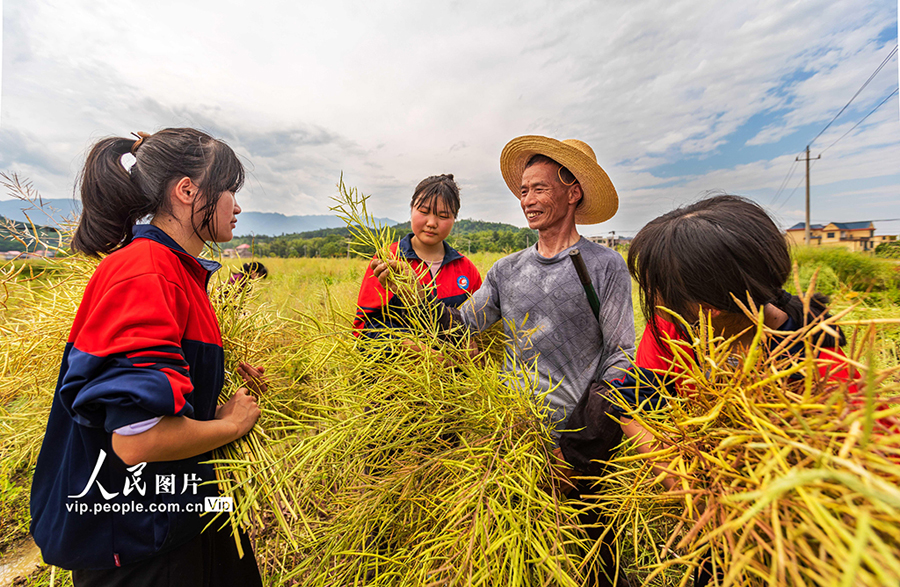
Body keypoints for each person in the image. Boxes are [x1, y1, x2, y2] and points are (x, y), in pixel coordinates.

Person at [558, 195, 860, 587]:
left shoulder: (820, 359)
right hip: (714, 505)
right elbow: (632, 401)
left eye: (658, 290)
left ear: (707, 305)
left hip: (776, 525)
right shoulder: (675, 329)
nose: (655, 302)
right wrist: (688, 492)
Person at [372, 136, 635, 586]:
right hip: (511, 437)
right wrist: (415, 295)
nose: (527, 200)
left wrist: (576, 445)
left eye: (539, 188)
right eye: (523, 190)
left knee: (594, 550)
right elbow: (461, 327)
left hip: (580, 445)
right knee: (516, 557)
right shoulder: (506, 270)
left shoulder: (605, 266)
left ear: (573, 192)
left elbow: (621, 356)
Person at [30, 129, 266, 586]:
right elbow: (138, 439)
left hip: (172, 516)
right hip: (137, 540)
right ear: (187, 190)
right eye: (230, 191)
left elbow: (157, 406)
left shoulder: (175, 270)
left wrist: (210, 403)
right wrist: (230, 426)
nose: (236, 207)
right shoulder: (146, 273)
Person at [353, 174, 482, 335]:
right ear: (411, 208)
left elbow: (479, 324)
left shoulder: (465, 269)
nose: (431, 223)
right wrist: (411, 348)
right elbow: (363, 328)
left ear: (454, 218)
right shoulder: (388, 259)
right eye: (423, 211)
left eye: (443, 216)